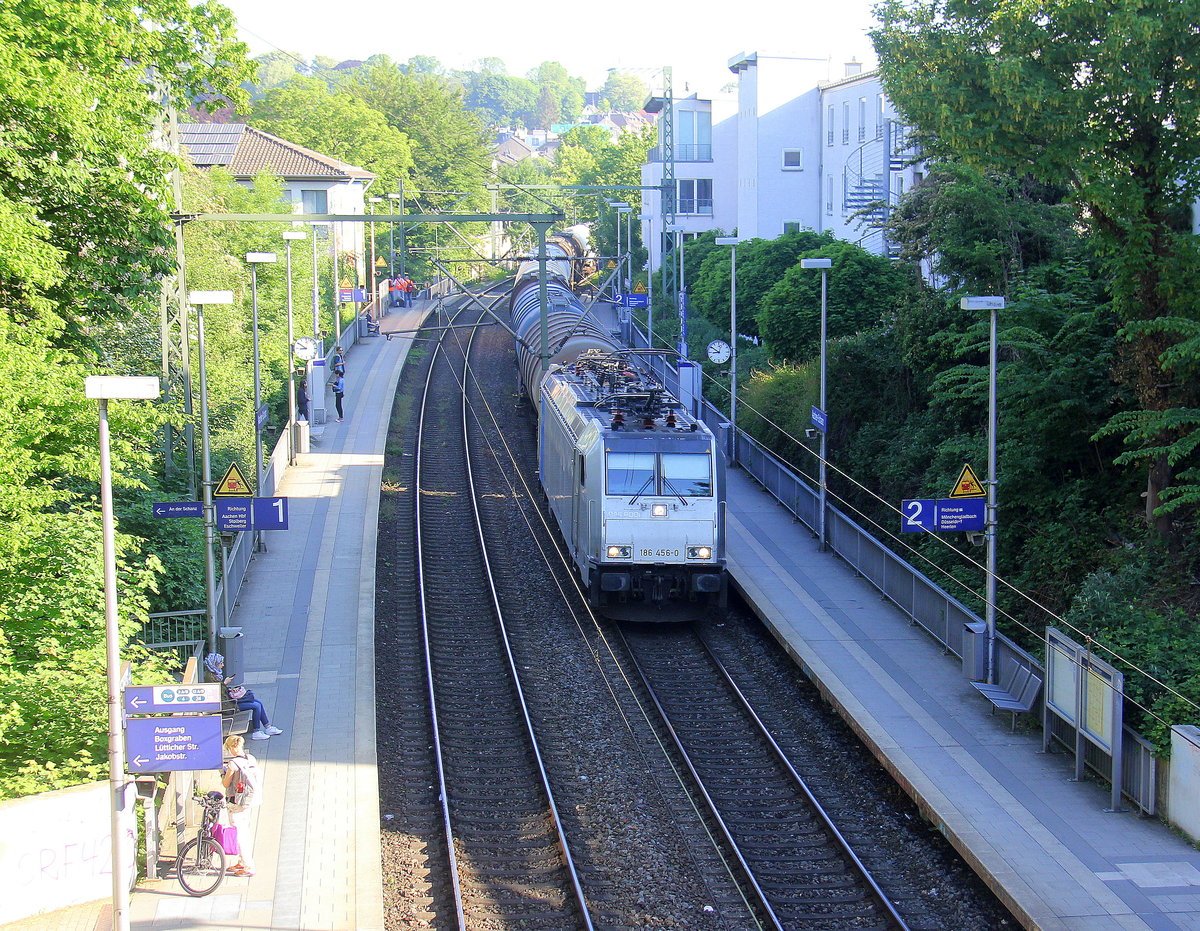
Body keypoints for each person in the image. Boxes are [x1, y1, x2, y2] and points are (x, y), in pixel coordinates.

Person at [204, 653, 283, 741]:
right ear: (215, 664)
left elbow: (222, 690)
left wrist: (230, 689)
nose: (223, 665)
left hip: (229, 701)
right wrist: (225, 683)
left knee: (258, 702)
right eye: (220, 663)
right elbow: (217, 692)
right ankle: (256, 731)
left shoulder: (214, 674)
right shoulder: (210, 678)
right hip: (228, 705)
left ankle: (268, 727)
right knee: (256, 706)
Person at [221, 735, 263, 877]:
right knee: (244, 829)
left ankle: (248, 866)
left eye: (228, 748)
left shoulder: (233, 764)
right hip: (249, 800)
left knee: (240, 834)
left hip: (236, 803)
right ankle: (241, 861)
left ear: (232, 747)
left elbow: (226, 784)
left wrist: (223, 773)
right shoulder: (251, 758)